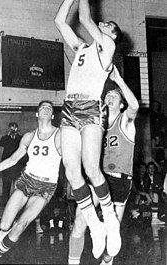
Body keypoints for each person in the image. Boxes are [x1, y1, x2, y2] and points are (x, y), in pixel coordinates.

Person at [55, 0, 122, 259]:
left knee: (92, 169)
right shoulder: (82, 48)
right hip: (70, 107)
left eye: (107, 25)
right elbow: (60, 22)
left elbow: (84, 17)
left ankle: (109, 220)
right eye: (103, 24)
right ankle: (94, 223)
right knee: (72, 172)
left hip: (91, 109)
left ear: (112, 36)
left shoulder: (106, 47)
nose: (103, 25)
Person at [68, 64, 139, 265]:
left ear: (121, 104)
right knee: (80, 221)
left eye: (115, 96)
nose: (110, 96)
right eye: (108, 95)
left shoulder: (126, 122)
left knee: (112, 238)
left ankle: (107, 262)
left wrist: (118, 81)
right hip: (97, 177)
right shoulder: (95, 124)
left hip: (119, 181)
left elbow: (135, 107)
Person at [0, 100, 61, 260]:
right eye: (43, 108)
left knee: (19, 226)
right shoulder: (28, 136)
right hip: (26, 181)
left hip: (46, 186)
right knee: (4, 225)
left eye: (49, 108)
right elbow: (12, 160)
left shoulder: (60, 135)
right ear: (37, 114)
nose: (46, 109)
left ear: (53, 115)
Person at [0, 122, 23, 206]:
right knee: (6, 186)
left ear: (17, 128)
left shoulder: (20, 138)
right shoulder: (5, 138)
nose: (13, 129)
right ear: (9, 128)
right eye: (11, 128)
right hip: (6, 167)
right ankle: (5, 204)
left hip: (17, 166)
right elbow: (1, 143)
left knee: (17, 186)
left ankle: (16, 204)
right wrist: (8, 135)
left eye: (15, 128)